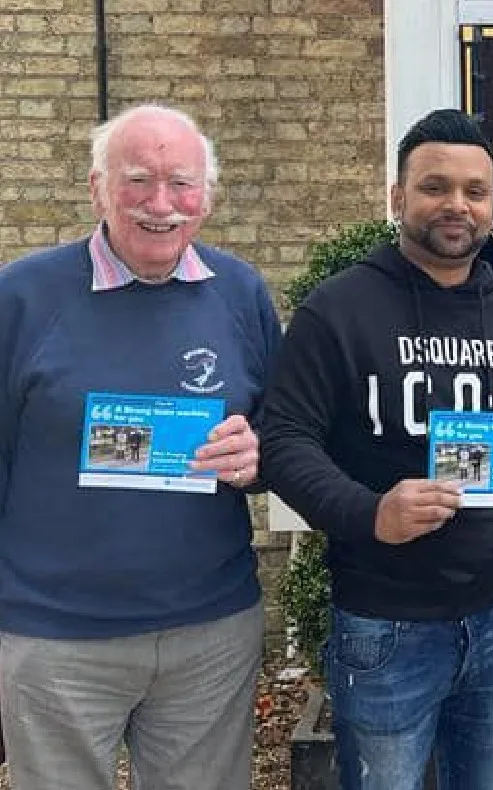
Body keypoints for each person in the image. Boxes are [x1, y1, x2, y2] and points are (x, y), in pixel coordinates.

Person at [259, 109, 493, 790]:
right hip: (382, 624)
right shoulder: (338, 309)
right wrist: (368, 510)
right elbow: (283, 440)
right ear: (397, 197)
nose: (456, 205)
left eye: (474, 190)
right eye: (435, 186)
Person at [0, 104, 281, 790]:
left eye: (182, 183)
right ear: (97, 187)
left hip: (209, 633)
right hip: (53, 637)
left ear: (207, 196)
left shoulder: (241, 293)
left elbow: (284, 435)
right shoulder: (21, 298)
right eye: (137, 181)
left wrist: (257, 459)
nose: (161, 204)